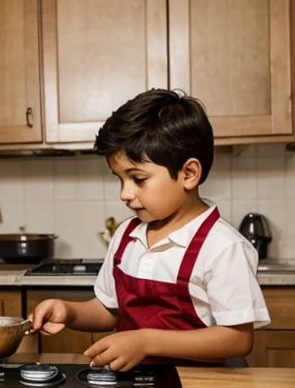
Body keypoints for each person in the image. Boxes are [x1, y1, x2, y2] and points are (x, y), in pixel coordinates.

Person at [30, 89, 270, 370]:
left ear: (189, 174)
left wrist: (146, 342)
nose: (124, 193)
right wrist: (69, 311)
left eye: (138, 179)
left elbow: (237, 340)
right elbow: (108, 311)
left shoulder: (223, 248)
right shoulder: (127, 236)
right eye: (119, 179)